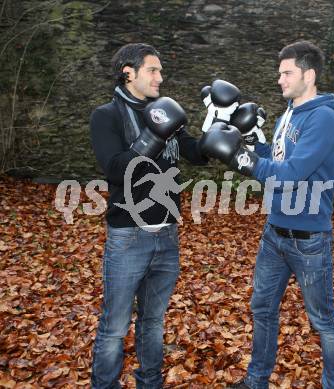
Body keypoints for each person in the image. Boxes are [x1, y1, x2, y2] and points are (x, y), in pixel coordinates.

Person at [200, 40, 334, 389]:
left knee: (323, 321)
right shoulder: (288, 115)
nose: (279, 79)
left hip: (308, 239)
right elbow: (275, 158)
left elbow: (292, 172)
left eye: (287, 73)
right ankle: (257, 380)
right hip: (275, 233)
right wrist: (251, 142)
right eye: (279, 72)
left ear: (308, 75)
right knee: (262, 309)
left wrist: (243, 160)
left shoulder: (323, 118)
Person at [89, 43, 208, 389]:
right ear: (129, 73)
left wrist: (220, 133)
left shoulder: (164, 110)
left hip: (167, 236)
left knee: (153, 322)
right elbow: (115, 168)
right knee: (114, 325)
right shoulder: (106, 115)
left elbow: (195, 154)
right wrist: (152, 136)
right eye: (153, 70)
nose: (160, 76)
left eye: (160, 70)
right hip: (128, 236)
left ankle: (150, 383)